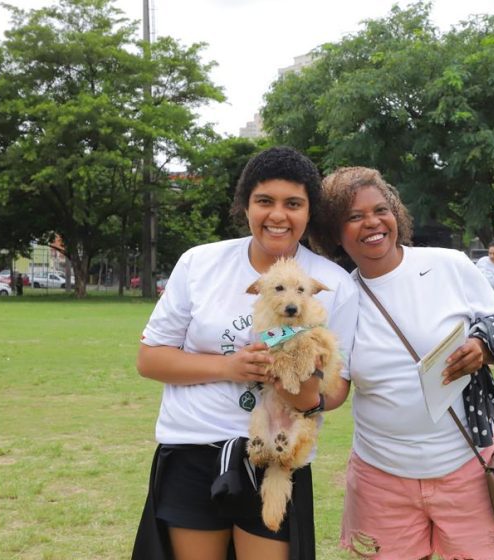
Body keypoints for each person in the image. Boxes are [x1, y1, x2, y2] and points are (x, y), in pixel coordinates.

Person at [132, 147, 359, 560]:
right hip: (193, 449)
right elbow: (150, 359)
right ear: (245, 205)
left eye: (293, 204)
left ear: (309, 211)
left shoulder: (333, 283)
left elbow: (337, 389)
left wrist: (301, 386)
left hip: (277, 451)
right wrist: (230, 366)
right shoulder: (200, 264)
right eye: (264, 201)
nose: (278, 215)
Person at [309, 167, 494, 560]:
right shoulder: (338, 296)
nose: (372, 223)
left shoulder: (449, 265)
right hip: (380, 478)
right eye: (353, 216)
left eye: (380, 209)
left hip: (466, 467)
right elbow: (336, 387)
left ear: (395, 212)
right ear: (334, 232)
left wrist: (482, 347)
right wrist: (297, 387)